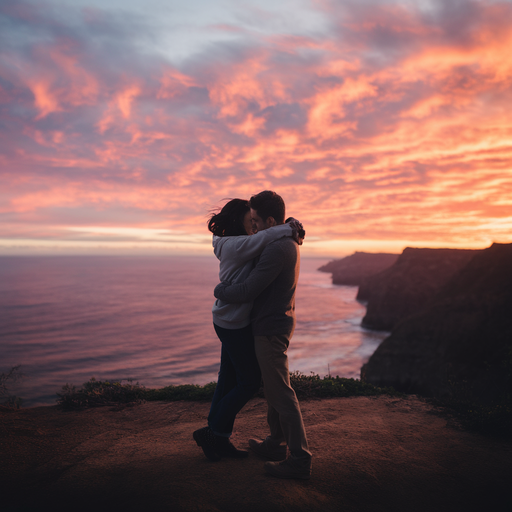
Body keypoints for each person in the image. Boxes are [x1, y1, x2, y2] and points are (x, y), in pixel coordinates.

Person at [193, 198, 303, 462]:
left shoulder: (243, 243)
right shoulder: (234, 244)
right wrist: (291, 227)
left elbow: (265, 237)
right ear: (237, 221)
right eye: (249, 220)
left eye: (256, 220)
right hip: (233, 322)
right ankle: (213, 431)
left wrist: (288, 226)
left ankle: (217, 437)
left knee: (228, 377)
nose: (254, 224)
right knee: (249, 381)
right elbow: (263, 238)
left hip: (230, 320)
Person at [214, 190, 312, 480]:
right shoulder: (285, 240)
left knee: (281, 393)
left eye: (256, 220)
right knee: (273, 389)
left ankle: (299, 459)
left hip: (270, 329)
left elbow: (247, 291)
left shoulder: (276, 248)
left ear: (270, 220)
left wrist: (219, 290)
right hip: (274, 324)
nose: (253, 226)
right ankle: (275, 444)